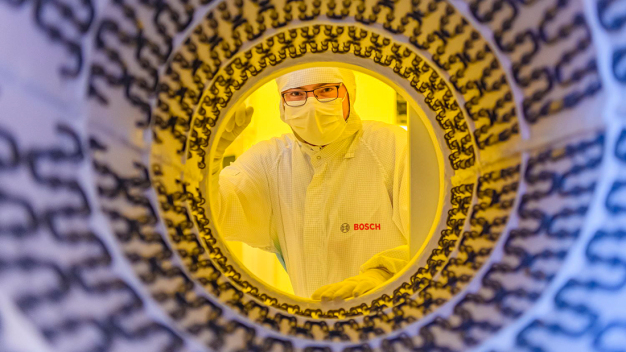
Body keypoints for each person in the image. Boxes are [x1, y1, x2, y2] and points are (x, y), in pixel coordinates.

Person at [209, 67, 410, 300]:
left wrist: (384, 274)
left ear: (349, 95)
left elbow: (435, 236)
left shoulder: (394, 146)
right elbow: (217, 215)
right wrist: (208, 161)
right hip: (312, 324)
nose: (312, 105)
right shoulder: (268, 160)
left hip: (393, 315)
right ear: (282, 104)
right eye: (296, 94)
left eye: (325, 90)